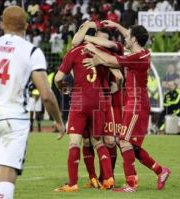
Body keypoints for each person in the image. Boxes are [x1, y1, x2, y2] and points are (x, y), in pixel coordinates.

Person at [0, 6, 65, 199]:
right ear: (26, 25)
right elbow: (47, 95)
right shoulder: (32, 51)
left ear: (1, 24)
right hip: (14, 117)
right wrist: (58, 120)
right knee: (8, 172)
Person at [83, 21, 171, 192]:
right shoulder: (142, 53)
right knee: (132, 146)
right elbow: (128, 36)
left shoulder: (136, 58)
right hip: (133, 103)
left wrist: (93, 48)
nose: (126, 37)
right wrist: (116, 25)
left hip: (136, 105)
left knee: (123, 141)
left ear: (135, 39)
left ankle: (131, 184)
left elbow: (110, 60)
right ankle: (161, 171)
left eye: (129, 36)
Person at [54, 28, 114, 192]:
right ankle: (108, 179)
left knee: (75, 142)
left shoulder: (73, 52)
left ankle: (72, 183)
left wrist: (63, 88)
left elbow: (58, 78)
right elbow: (116, 71)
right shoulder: (101, 51)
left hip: (80, 99)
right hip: (99, 99)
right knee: (98, 142)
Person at [71, 21, 124, 187]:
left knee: (107, 140)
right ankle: (94, 178)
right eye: (98, 39)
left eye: (102, 40)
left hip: (105, 100)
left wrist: (116, 87)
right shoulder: (83, 49)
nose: (99, 42)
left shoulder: (109, 51)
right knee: (90, 141)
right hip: (93, 99)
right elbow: (74, 44)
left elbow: (119, 76)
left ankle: (107, 176)